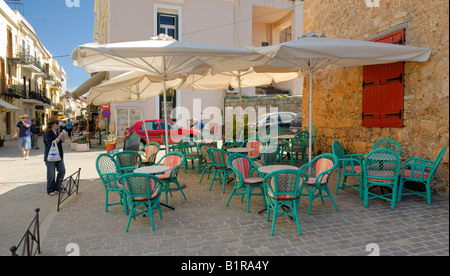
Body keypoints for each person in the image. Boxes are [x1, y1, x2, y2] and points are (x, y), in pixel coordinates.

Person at [44, 117, 66, 196]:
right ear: (53, 125)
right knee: (51, 174)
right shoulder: (47, 133)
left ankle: (57, 187)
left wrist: (63, 137)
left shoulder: (57, 131)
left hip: (59, 155)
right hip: (50, 156)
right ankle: (50, 189)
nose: (58, 125)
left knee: (62, 170)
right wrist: (59, 137)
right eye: (57, 123)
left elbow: (61, 141)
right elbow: (51, 144)